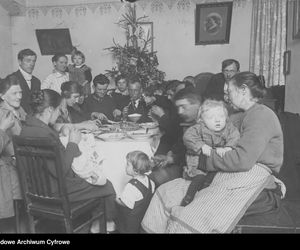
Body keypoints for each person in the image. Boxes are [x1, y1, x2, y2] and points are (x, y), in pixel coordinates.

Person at [142, 72, 285, 233]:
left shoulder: (261, 114)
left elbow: (242, 160)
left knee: (190, 217)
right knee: (165, 193)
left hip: (249, 175)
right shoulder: (237, 115)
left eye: (228, 92)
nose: (226, 98)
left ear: (243, 90)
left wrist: (205, 161)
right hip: (225, 171)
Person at [20, 89, 117, 233]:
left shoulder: (26, 129)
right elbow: (60, 170)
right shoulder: (46, 134)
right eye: (59, 110)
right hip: (56, 192)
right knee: (107, 186)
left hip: (35, 191)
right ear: (50, 109)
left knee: (89, 176)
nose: (60, 114)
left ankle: (96, 224)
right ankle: (106, 226)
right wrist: (73, 143)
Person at [180, 99, 240, 207]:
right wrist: (201, 145)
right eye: (211, 118)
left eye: (221, 117)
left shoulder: (229, 128)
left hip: (215, 163)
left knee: (214, 178)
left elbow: (235, 136)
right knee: (199, 177)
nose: (217, 120)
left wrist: (228, 148)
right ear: (201, 120)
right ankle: (188, 198)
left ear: (226, 118)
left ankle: (204, 197)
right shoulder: (198, 128)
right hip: (198, 161)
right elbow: (187, 137)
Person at [149, 89, 202, 187]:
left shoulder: (206, 125)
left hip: (197, 173)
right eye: (178, 107)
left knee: (152, 179)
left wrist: (172, 159)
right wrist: (169, 157)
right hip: (184, 165)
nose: (180, 112)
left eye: (183, 107)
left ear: (197, 105)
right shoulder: (189, 123)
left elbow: (199, 156)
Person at [0, 75, 24, 220]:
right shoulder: (2, 115)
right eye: (14, 93)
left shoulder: (19, 109)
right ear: (2, 96)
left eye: (20, 92)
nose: (19, 96)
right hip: (13, 168)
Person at [116, 151, 155, 233]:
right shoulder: (151, 181)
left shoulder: (132, 186)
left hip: (130, 222)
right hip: (142, 219)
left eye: (127, 164)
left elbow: (124, 204)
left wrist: (114, 198)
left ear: (136, 170)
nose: (125, 166)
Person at [11, 49, 41, 114]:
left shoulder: (37, 81)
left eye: (34, 61)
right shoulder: (12, 79)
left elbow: (38, 104)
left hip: (33, 119)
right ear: (19, 61)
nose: (32, 64)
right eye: (28, 61)